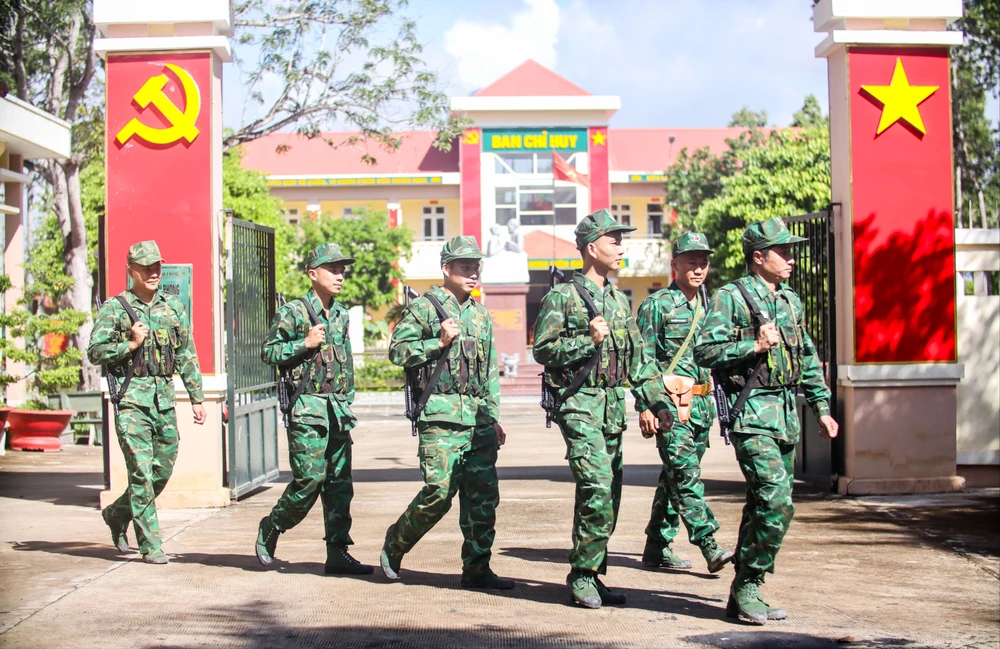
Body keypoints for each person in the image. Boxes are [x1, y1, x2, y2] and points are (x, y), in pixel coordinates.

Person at [694, 217, 839, 625]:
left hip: (786, 415)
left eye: (792, 251)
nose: (791, 258)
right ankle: (749, 583)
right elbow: (705, 351)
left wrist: (822, 408)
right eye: (784, 251)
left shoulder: (791, 299)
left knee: (762, 502)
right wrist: (752, 344)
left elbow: (806, 355)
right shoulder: (731, 297)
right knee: (777, 498)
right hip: (752, 411)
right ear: (759, 257)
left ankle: (743, 590)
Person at [532, 209, 673, 609]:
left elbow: (638, 360)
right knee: (596, 487)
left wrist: (655, 402)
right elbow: (543, 350)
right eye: (614, 240)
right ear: (592, 248)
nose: (621, 246)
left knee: (608, 493)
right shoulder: (562, 296)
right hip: (578, 404)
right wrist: (588, 342)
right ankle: (580, 575)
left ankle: (592, 572)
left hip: (610, 408)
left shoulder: (616, 299)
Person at [379, 235, 512, 590]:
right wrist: (436, 342)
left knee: (482, 499)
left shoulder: (481, 314)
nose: (472, 273)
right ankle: (395, 544)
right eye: (465, 266)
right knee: (438, 494)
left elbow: (490, 371)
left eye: (475, 266)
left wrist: (494, 415)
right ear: (446, 268)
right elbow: (397, 352)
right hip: (440, 417)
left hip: (479, 420)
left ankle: (477, 568)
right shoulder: (425, 308)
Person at [254, 243, 372, 575]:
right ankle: (272, 526)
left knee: (339, 484)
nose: (340, 274)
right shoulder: (293, 312)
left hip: (337, 411)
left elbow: (345, 361)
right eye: (332, 269)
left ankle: (337, 552)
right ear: (312, 274)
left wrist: (347, 399)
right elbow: (267, 353)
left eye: (342, 269)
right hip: (307, 409)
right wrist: (302, 344)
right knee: (309, 480)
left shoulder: (342, 314)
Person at [88, 240, 206, 564]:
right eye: (146, 267)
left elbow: (186, 353)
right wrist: (130, 344)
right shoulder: (116, 308)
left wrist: (197, 397)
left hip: (164, 401)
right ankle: (151, 545)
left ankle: (116, 513)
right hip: (131, 401)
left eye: (157, 266)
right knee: (140, 471)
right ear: (131, 272)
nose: (154, 272)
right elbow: (95, 351)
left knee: (161, 470)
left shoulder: (173, 307)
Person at [636, 232, 734, 574]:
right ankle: (709, 543)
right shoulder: (657, 305)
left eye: (703, 262)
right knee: (686, 477)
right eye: (691, 262)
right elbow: (642, 360)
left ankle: (656, 546)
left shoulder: (710, 307)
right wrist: (645, 406)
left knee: (674, 478)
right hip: (670, 408)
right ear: (674, 264)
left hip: (702, 406)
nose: (698, 268)